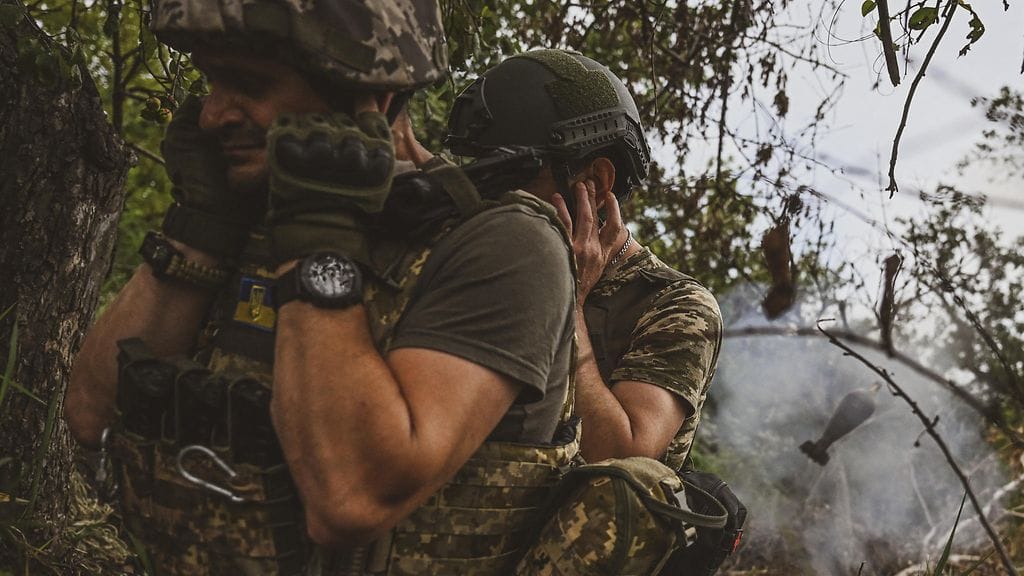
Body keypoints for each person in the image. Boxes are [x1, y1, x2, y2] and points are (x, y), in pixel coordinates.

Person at [64, 3, 577, 574]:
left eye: (249, 85)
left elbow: (350, 500)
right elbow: (90, 415)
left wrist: (318, 241)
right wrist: (201, 228)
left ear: (372, 97)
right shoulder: (255, 208)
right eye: (212, 82)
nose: (211, 116)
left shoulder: (504, 248)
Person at [446, 48, 723, 473]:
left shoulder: (675, 305)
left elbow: (622, 452)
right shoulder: (490, 260)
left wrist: (569, 300)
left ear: (594, 182)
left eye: (510, 179)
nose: (491, 202)